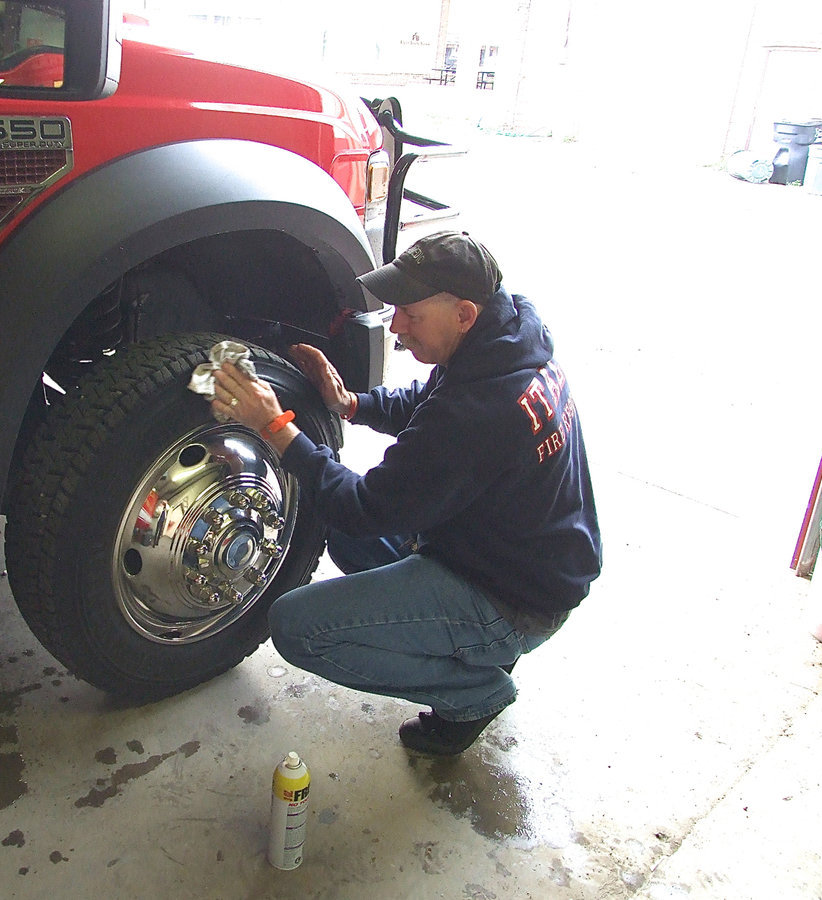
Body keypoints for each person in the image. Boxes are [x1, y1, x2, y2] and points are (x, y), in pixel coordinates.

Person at [210, 230, 601, 756]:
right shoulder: (507, 337)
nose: (396, 326)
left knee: (297, 627)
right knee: (344, 536)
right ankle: (471, 649)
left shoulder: (482, 410)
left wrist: (275, 427)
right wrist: (352, 403)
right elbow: (431, 401)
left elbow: (364, 504)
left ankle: (476, 691)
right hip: (519, 554)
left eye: (411, 315)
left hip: (516, 601)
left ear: (463, 313)